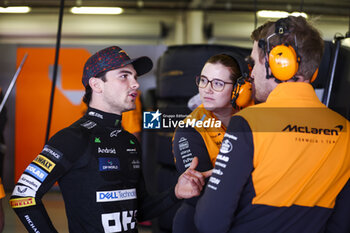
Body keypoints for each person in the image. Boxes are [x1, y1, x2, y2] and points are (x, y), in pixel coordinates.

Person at [10, 46, 210, 233]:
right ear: (97, 84)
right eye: (124, 76)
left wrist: (175, 192)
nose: (135, 84)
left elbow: (139, 211)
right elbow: (24, 195)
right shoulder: (72, 138)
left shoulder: (129, 142)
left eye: (135, 76)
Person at [194, 16, 350, 233]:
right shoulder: (346, 131)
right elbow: (342, 221)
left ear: (279, 63)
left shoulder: (249, 123)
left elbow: (210, 221)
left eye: (254, 62)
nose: (252, 73)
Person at [172, 53, 253, 233]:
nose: (206, 89)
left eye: (218, 83)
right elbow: (201, 192)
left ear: (239, 89)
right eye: (203, 80)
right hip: (202, 219)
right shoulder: (189, 128)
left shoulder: (256, 116)